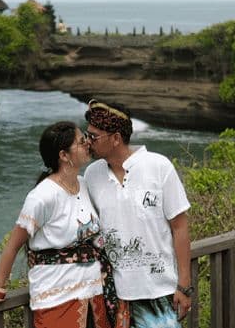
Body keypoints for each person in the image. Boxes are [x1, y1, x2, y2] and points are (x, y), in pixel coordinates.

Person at [0, 121, 113, 328]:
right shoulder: (42, 196)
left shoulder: (84, 184)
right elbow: (13, 246)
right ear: (63, 155)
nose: (87, 143)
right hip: (57, 297)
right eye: (80, 141)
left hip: (93, 296)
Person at [83, 99, 192, 328]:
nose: (87, 141)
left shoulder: (158, 167)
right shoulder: (92, 175)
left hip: (158, 292)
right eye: (87, 134)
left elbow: (179, 227)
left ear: (116, 138)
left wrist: (183, 285)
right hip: (112, 296)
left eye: (94, 136)